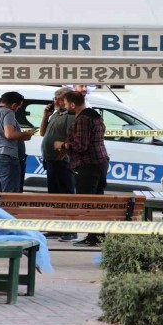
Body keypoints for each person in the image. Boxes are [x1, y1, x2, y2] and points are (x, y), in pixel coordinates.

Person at [54, 91, 109, 247]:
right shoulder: (95, 116)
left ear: (72, 104)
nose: (65, 106)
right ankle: (97, 235)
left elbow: (81, 146)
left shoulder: (83, 119)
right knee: (97, 200)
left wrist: (62, 145)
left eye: (66, 104)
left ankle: (94, 237)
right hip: (99, 162)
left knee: (88, 201)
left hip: (88, 165)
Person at [40, 87, 77, 240]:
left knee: (66, 196)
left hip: (63, 161)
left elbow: (72, 138)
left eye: (61, 99)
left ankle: (70, 230)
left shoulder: (70, 116)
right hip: (50, 160)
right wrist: (45, 116)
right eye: (55, 98)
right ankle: (56, 228)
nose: (57, 101)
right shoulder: (55, 114)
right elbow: (42, 133)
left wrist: (62, 153)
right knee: (54, 195)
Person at [0, 91, 33, 192]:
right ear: (14, 105)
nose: (17, 109)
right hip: (6, 157)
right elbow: (9, 134)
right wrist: (27, 134)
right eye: (18, 107)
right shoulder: (8, 112)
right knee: (10, 195)